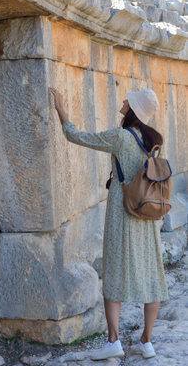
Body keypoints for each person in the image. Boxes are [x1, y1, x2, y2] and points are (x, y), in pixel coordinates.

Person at [49, 87, 169, 361]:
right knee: (152, 272)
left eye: (129, 99)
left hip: (122, 209)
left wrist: (60, 107)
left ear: (134, 109)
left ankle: (113, 340)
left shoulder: (119, 137)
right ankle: (147, 342)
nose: (124, 100)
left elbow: (75, 136)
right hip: (147, 212)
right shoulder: (155, 139)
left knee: (114, 269)